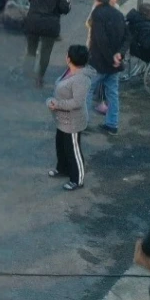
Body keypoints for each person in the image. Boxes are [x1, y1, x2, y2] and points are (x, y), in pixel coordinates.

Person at [45, 44, 91, 191]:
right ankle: (63, 169)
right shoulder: (70, 71)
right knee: (61, 146)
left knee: (73, 150)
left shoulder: (80, 79)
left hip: (72, 122)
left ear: (69, 59)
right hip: (62, 120)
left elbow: (77, 102)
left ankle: (77, 179)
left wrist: (57, 104)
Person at [21, 0, 71, 87]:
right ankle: (39, 78)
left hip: (33, 21)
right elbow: (66, 8)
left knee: (31, 49)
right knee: (46, 52)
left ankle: (27, 72)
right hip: (50, 24)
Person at [87, 0, 127, 136]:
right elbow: (127, 37)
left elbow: (100, 40)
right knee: (113, 93)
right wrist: (119, 55)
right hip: (114, 65)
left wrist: (111, 58)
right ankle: (112, 124)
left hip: (99, 63)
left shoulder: (97, 14)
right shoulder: (118, 15)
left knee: (87, 90)